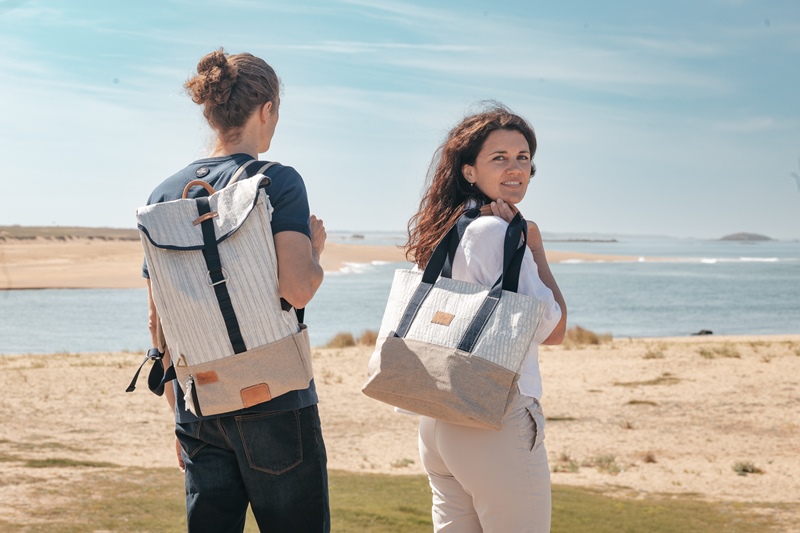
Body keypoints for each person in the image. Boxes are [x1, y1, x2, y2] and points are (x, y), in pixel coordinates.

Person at [142, 49, 330, 532]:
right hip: (276, 400)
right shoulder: (277, 182)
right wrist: (315, 251)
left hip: (199, 402)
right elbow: (298, 288)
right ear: (266, 109)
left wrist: (181, 420)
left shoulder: (162, 196)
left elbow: (157, 324)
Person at [405, 103, 567, 532]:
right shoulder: (498, 232)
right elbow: (555, 329)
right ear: (469, 171)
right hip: (493, 414)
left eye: (523, 158)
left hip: (440, 418)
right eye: (500, 158)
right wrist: (535, 248)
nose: (515, 169)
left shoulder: (455, 227)